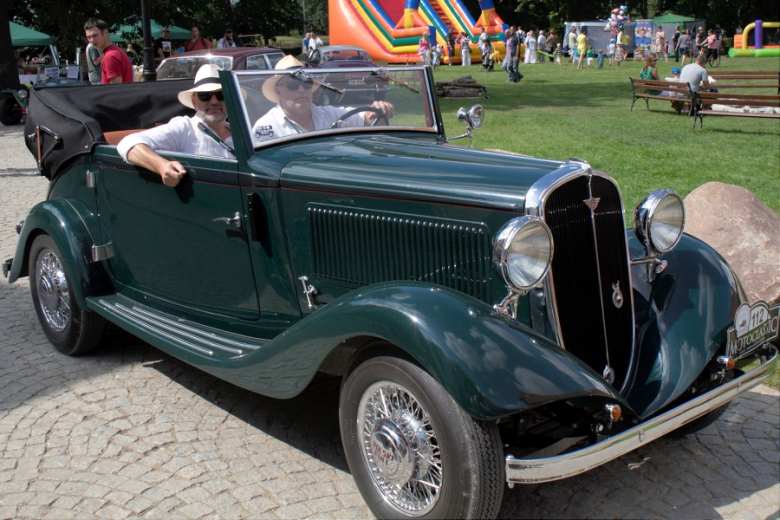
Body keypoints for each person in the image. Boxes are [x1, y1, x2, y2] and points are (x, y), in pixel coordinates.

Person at [116, 65, 235, 187]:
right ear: (194, 102)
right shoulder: (185, 128)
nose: (214, 101)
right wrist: (161, 166)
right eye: (205, 95)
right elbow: (128, 143)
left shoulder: (242, 133)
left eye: (221, 95)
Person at [252, 56, 395, 142]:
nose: (301, 89)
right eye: (293, 85)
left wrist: (376, 111)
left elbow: (364, 118)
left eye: (306, 83)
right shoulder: (265, 127)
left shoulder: (328, 114)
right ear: (278, 91)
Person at [84, 18, 133, 84]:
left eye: (95, 35)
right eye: (88, 37)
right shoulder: (115, 51)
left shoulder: (110, 56)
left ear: (105, 32)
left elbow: (116, 89)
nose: (92, 40)